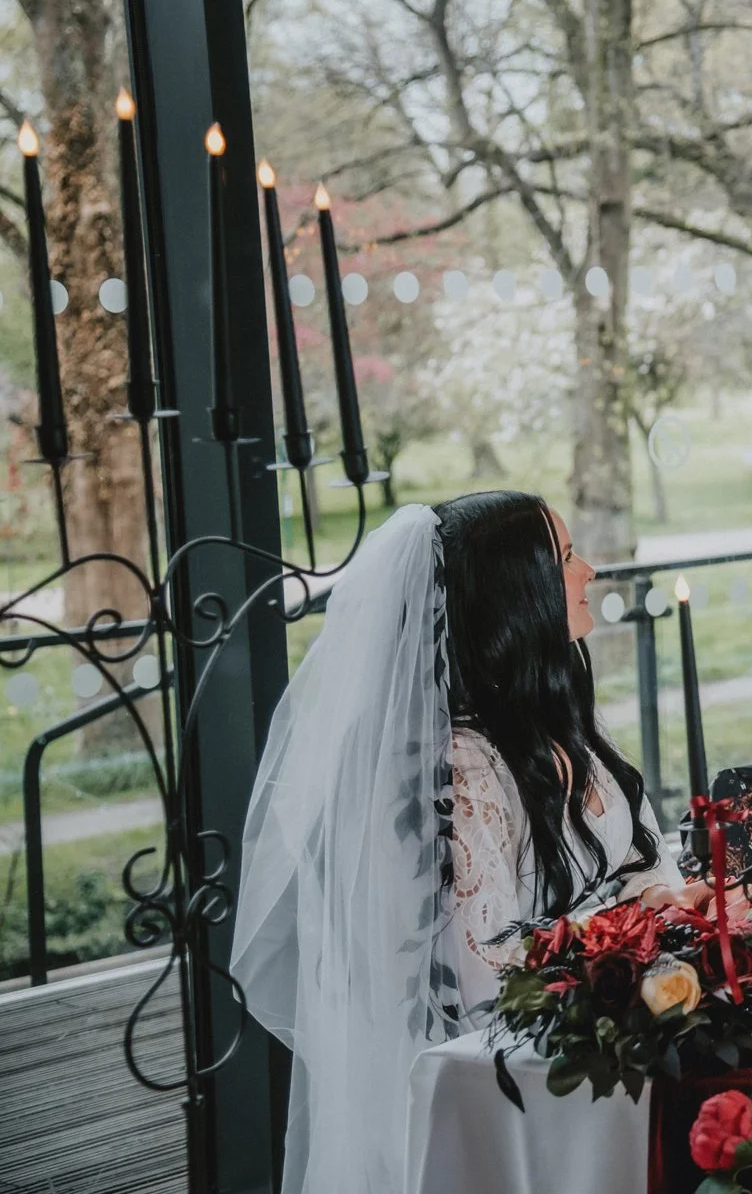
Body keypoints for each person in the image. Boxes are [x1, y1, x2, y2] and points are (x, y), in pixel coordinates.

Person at [232, 492, 704, 1194]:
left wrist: (670, 900)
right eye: (568, 558)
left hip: (615, 1031)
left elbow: (632, 863)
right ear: (519, 598)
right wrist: (641, 927)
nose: (590, 571)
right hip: (515, 1082)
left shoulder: (551, 719)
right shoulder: (462, 770)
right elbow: (489, 976)